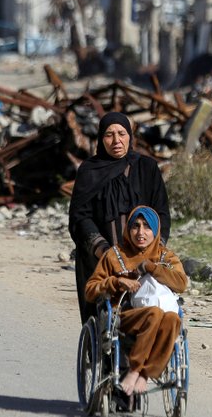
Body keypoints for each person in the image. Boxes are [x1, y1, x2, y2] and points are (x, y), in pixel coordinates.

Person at [68, 111, 171, 324]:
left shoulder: (146, 168)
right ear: (100, 139)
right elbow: (80, 217)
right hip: (100, 259)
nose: (116, 140)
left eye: (122, 133)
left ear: (130, 136)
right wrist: (107, 252)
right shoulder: (89, 171)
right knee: (103, 319)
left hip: (142, 256)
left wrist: (152, 250)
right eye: (109, 134)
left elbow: (161, 212)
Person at [85, 205, 187, 396]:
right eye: (136, 226)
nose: (141, 233)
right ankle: (134, 369)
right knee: (154, 313)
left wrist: (151, 267)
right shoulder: (114, 256)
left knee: (173, 319)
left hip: (160, 317)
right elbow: (91, 289)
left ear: (156, 230)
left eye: (147, 227)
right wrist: (116, 281)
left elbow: (181, 284)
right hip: (124, 316)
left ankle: (144, 374)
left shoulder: (166, 257)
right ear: (128, 229)